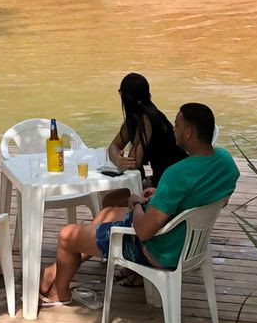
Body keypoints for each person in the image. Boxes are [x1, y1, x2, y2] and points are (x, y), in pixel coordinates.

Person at [39, 102, 238, 308]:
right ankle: (55, 271)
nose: (173, 129)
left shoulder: (177, 174)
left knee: (66, 235)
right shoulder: (225, 162)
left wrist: (135, 204)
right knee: (107, 213)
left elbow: (143, 232)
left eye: (176, 125)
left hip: (157, 250)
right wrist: (160, 195)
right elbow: (215, 198)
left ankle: (58, 294)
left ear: (188, 132)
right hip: (188, 241)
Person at [101, 73, 185, 208]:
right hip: (163, 177)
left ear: (126, 96)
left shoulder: (146, 119)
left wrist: (123, 159)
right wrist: (118, 159)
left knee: (112, 203)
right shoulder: (139, 117)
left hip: (169, 183)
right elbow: (114, 146)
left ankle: (121, 227)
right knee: (109, 200)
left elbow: (134, 162)